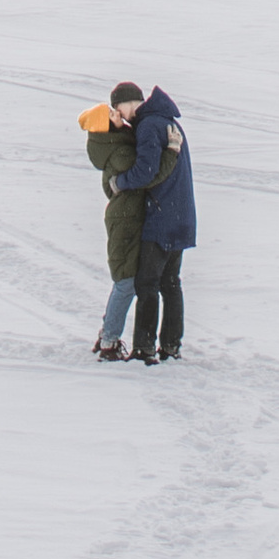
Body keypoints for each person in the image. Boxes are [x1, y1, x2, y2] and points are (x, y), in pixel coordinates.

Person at [122, 78, 196, 363]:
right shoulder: (169, 123)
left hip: (161, 217)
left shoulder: (149, 126)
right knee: (171, 283)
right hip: (182, 215)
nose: (122, 116)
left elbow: (146, 171)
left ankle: (144, 348)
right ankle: (171, 345)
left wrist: (120, 182)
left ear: (129, 103)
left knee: (148, 284)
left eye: (119, 107)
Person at [76, 93, 146, 357]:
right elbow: (142, 173)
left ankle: (107, 334)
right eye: (113, 115)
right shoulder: (119, 150)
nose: (119, 116)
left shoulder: (113, 145)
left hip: (125, 217)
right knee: (125, 281)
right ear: (106, 125)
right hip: (125, 220)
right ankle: (109, 342)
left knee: (124, 280)